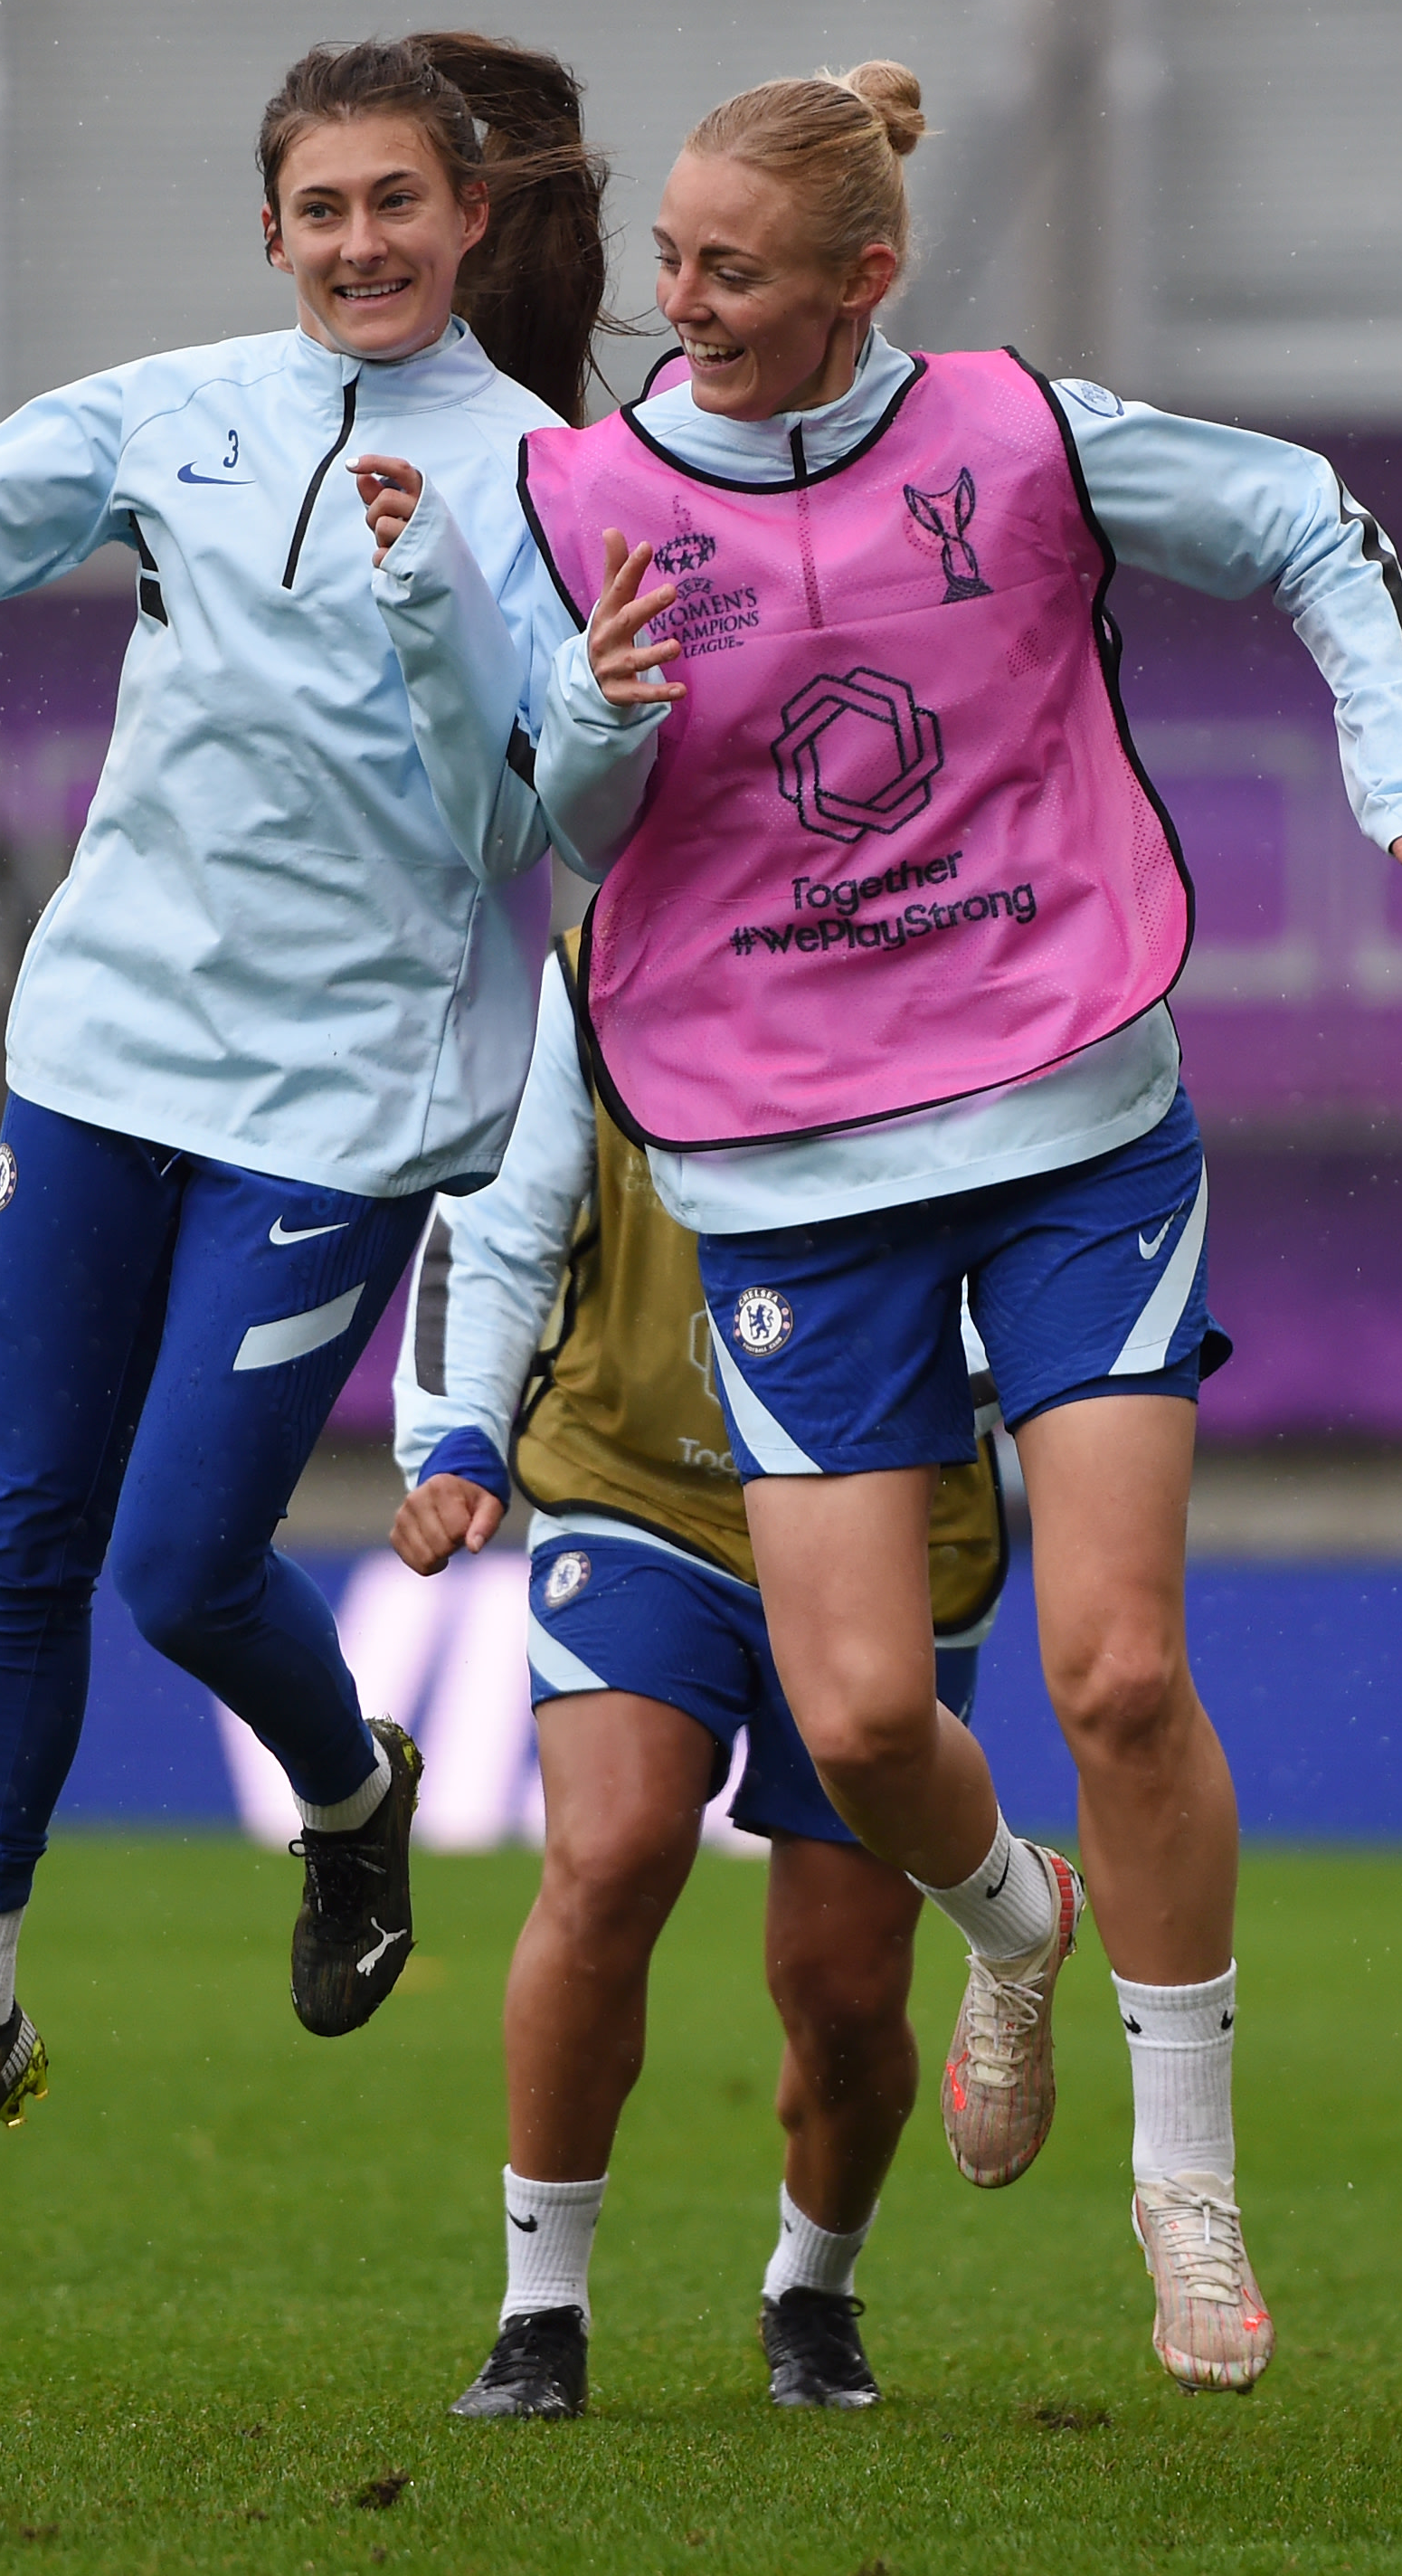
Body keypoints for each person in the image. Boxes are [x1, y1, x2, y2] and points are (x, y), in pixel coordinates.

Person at [365, 62, 1402, 2392]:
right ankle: (1018, 1919)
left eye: (735, 273)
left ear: (866, 278)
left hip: (1075, 1107)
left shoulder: (1017, 437)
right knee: (871, 1719)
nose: (679, 310)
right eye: (669, 262)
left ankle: (1183, 2192)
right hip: (784, 1165)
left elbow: (1302, 517)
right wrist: (589, 716)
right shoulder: (573, 495)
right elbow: (534, 808)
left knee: (1114, 1668)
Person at [0, 36, 618, 2239]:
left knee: (178, 1565)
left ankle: (350, 1795)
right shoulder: (170, 410)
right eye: (320, 210)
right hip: (103, 1051)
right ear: (272, 229)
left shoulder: (555, 479)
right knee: (23, 1538)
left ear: (469, 221)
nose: (358, 245)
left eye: (396, 203)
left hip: (348, 1095)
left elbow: (524, 817)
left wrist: (426, 606)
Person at [390, 931, 1010, 2419]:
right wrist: (457, 1433)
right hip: (634, 1489)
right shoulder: (598, 970)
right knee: (608, 1852)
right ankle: (540, 2320)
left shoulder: (975, 951)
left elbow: (1021, 1270)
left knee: (845, 1988)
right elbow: (500, 1222)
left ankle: (815, 2289)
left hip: (891, 1516)